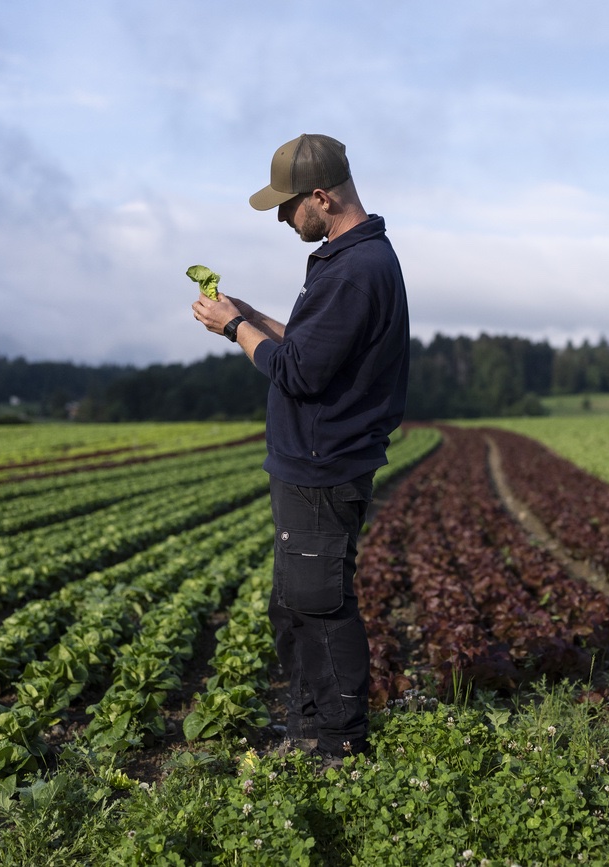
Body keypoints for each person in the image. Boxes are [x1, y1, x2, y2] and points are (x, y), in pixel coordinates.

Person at [191, 134, 410, 760]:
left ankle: (340, 743)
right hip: (311, 460)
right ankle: (313, 722)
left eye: (288, 208)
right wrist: (251, 313)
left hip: (323, 462)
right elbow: (312, 348)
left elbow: (298, 373)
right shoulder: (351, 261)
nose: (284, 219)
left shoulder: (356, 269)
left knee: (320, 604)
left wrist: (233, 329)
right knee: (292, 605)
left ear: (321, 197)